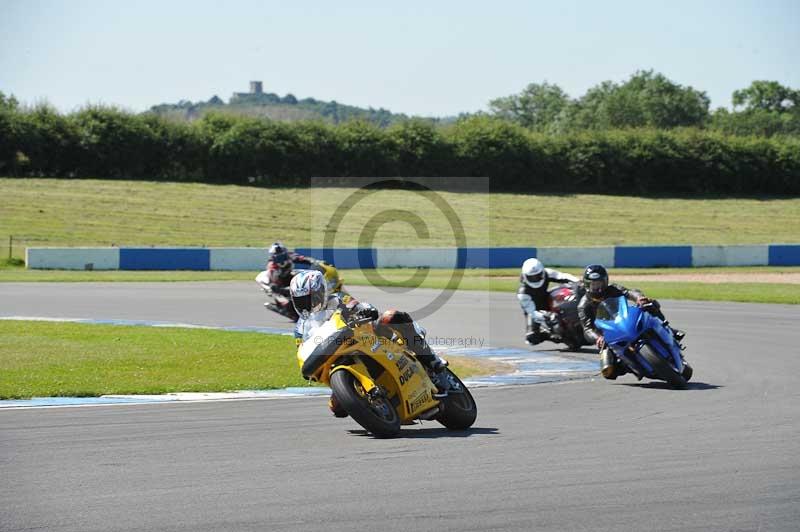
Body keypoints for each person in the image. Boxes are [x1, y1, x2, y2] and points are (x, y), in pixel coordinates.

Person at [289, 270, 449, 418]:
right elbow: (302, 349)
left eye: (309, 298)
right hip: (335, 353)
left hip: (365, 337)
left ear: (321, 292)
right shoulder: (300, 327)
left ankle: (432, 361)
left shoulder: (338, 299)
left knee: (390, 317)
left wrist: (365, 310)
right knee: (336, 407)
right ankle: (376, 405)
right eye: (300, 301)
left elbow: (360, 305)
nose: (306, 304)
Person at [577, 264, 685, 379]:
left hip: (624, 320)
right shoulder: (583, 305)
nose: (596, 288)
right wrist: (597, 337)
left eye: (599, 283)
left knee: (649, 305)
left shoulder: (613, 289)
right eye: (592, 284)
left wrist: (639, 298)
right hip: (607, 334)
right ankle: (630, 366)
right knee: (609, 372)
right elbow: (587, 329)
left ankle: (669, 330)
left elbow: (629, 293)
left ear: (605, 282)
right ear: (586, 284)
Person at [517, 258, 579, 345]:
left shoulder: (547, 273)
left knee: (565, 290)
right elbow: (531, 313)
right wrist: (547, 316)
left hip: (547, 299)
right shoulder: (523, 293)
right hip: (535, 310)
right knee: (531, 338)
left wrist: (579, 283)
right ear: (525, 276)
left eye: (537, 276)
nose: (535, 279)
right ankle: (550, 335)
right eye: (532, 277)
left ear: (542, 272)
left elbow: (563, 276)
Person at [266, 242, 345, 299]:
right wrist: (277, 289)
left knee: (307, 279)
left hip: (290, 275)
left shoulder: (289, 256)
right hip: (281, 284)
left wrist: (317, 262)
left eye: (283, 255)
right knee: (292, 295)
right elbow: (273, 285)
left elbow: (303, 259)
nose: (282, 259)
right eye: (279, 257)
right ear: (273, 258)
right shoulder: (272, 268)